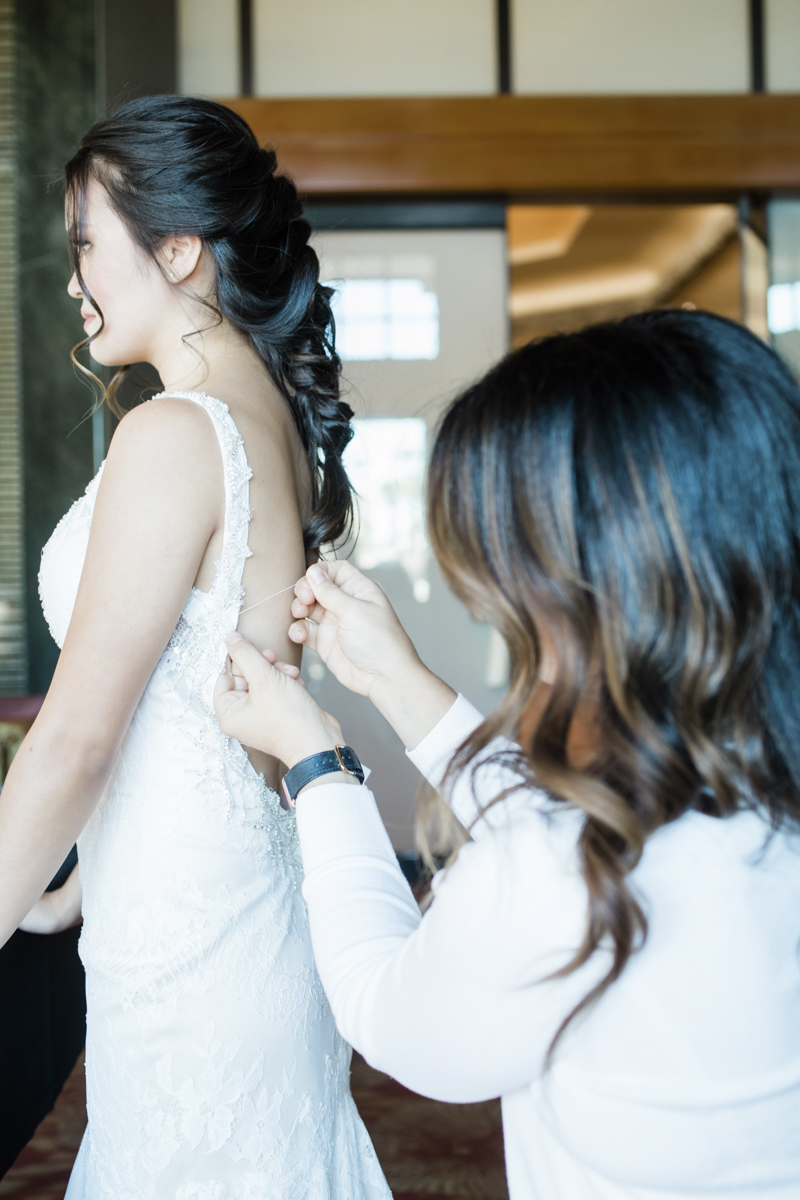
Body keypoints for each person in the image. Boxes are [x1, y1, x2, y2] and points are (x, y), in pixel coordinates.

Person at [215, 310, 800, 1200]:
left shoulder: (561, 874)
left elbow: (395, 1016)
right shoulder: (744, 791)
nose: (494, 609)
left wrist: (317, 765)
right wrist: (399, 681)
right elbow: (573, 814)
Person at [0, 96, 389, 1199]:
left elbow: (78, 734)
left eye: (87, 245)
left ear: (176, 247)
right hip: (233, 903)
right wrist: (70, 887)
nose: (74, 280)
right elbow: (210, 703)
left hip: (194, 939)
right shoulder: (268, 420)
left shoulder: (173, 433)